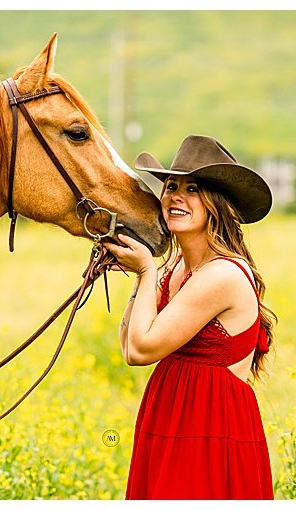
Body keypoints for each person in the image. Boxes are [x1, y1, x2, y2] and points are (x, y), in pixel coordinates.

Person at [103, 135, 277, 499]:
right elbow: (127, 345)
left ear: (215, 204)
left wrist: (145, 272)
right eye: (170, 186)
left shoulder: (222, 275)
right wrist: (145, 277)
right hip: (171, 418)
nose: (175, 196)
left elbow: (142, 350)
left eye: (192, 188)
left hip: (210, 431)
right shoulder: (177, 266)